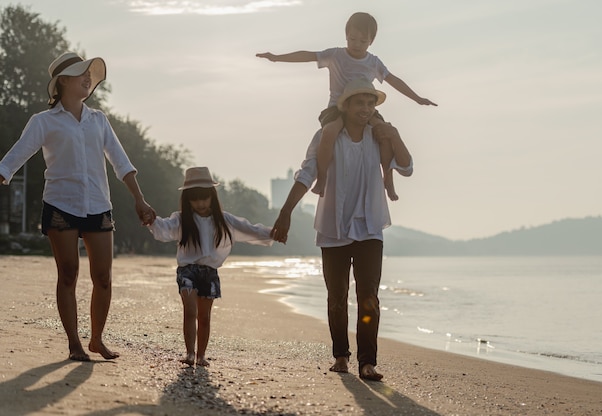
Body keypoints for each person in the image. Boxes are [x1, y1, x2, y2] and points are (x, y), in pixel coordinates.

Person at [0, 52, 156, 362]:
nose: (87, 78)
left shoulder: (99, 120)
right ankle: (74, 343)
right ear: (62, 82)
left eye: (89, 74)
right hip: (60, 204)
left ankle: (96, 339)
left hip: (98, 205)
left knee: (103, 278)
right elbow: (14, 158)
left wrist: (139, 198)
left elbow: (121, 162)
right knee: (68, 273)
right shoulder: (43, 122)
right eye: (80, 73)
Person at [271, 79, 413, 381]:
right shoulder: (328, 137)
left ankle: (367, 362)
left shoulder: (379, 136)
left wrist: (396, 135)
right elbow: (307, 172)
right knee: (336, 297)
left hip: (370, 228)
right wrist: (286, 212)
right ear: (345, 106)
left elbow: (407, 166)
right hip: (333, 228)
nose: (365, 109)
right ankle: (341, 356)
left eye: (370, 103)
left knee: (369, 297)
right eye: (359, 103)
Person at [257, 11, 434, 201]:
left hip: (364, 108)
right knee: (329, 132)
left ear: (371, 41)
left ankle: (388, 179)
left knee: (384, 133)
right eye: (352, 39)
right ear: (346, 36)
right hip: (336, 108)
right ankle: (322, 177)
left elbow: (394, 80)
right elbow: (308, 55)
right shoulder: (335, 55)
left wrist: (417, 98)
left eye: (362, 41)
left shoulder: (373, 62)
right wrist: (276, 57)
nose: (357, 45)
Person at [147, 167, 275, 367]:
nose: (200, 203)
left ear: (212, 196)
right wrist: (151, 220)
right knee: (190, 311)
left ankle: (201, 356)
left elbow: (249, 229)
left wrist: (272, 233)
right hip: (187, 270)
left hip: (210, 273)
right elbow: (164, 228)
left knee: (204, 317)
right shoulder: (181, 219)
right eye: (195, 199)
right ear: (188, 199)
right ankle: (189, 353)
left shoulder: (224, 220)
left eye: (205, 198)